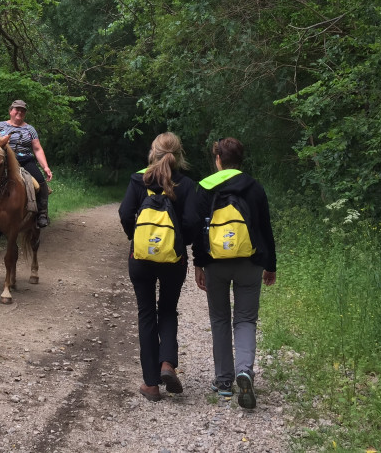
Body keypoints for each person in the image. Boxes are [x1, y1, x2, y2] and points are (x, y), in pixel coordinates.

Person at [191, 137, 277, 409]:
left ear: (218, 159)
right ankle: (245, 371)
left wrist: (198, 263)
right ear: (240, 160)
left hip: (215, 263)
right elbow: (265, 229)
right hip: (250, 262)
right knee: (245, 319)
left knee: (219, 318)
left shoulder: (204, 187)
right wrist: (270, 264)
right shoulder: (254, 188)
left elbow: (197, 229)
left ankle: (224, 382)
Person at [118, 132, 196, 402]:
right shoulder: (186, 184)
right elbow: (192, 223)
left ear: (153, 152)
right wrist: (179, 243)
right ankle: (167, 364)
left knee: (146, 314)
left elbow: (125, 214)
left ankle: (151, 384)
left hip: (140, 259)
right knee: (168, 310)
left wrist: (137, 238)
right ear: (178, 154)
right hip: (173, 261)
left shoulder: (139, 180)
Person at [0, 99, 53, 228]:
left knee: (40, 182)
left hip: (24, 161)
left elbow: (37, 148)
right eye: (17, 109)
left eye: (23, 110)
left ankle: (42, 213)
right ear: (10, 111)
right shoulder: (0, 126)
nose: (20, 112)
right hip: (3, 161)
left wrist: (45, 167)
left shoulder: (30, 129)